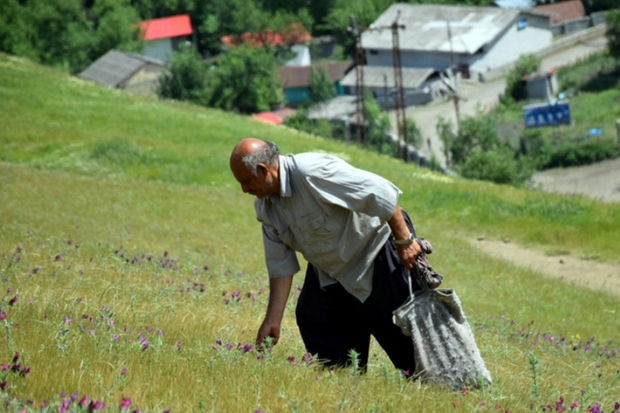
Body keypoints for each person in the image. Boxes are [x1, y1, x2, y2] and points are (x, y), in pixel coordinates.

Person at [229, 137, 424, 373]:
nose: (244, 189)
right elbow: (280, 264)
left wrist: (404, 241)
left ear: (263, 170)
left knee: (404, 338)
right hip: (332, 269)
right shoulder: (266, 206)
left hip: (375, 253)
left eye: (247, 181)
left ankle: (431, 389)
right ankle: (343, 388)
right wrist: (273, 319)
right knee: (315, 318)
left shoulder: (313, 173)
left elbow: (381, 193)